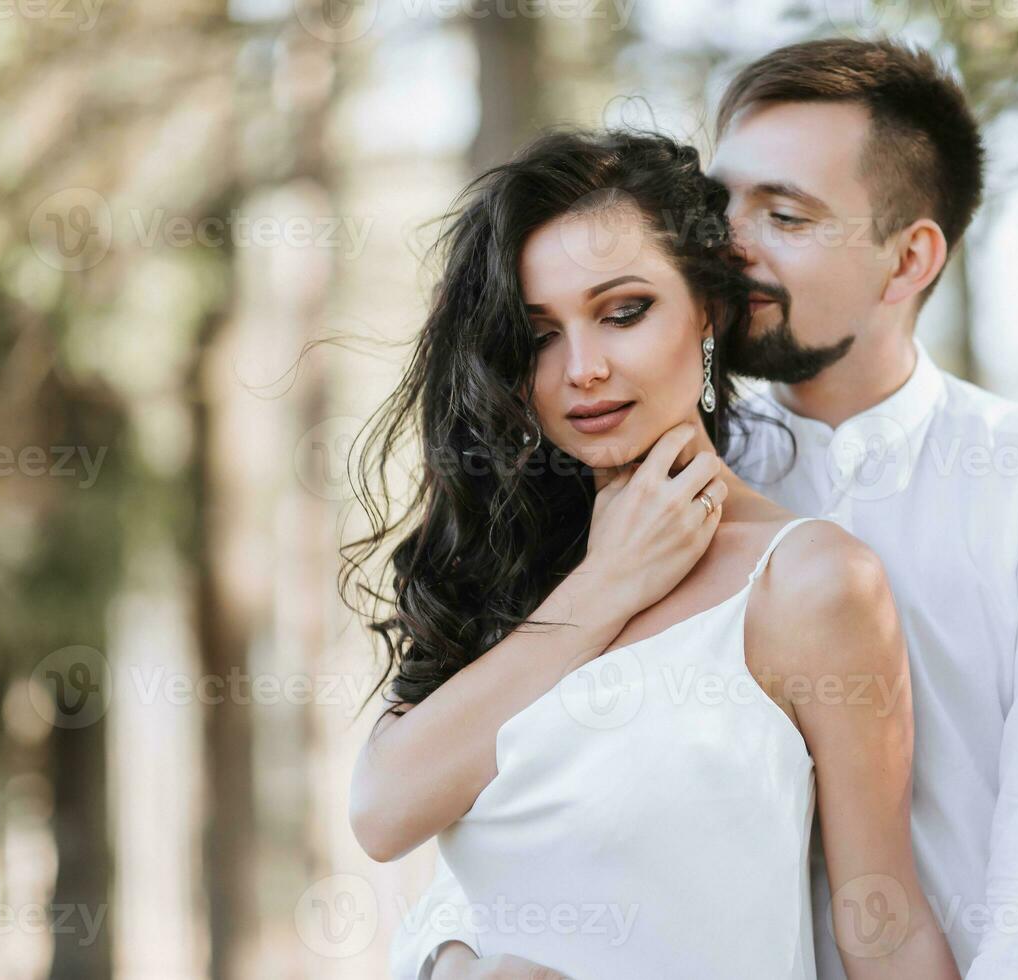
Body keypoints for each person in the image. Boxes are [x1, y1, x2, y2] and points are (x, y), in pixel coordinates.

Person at [389, 37, 1018, 980]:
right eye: (723, 207)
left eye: (787, 216)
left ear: (908, 259)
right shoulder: (645, 484)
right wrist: (453, 956)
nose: (731, 246)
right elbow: (534, 814)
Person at [349, 127, 960, 979]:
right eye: (540, 336)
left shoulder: (808, 584)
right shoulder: (508, 568)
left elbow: (884, 930)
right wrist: (606, 585)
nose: (584, 369)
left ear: (708, 313)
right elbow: (383, 814)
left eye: (623, 312)